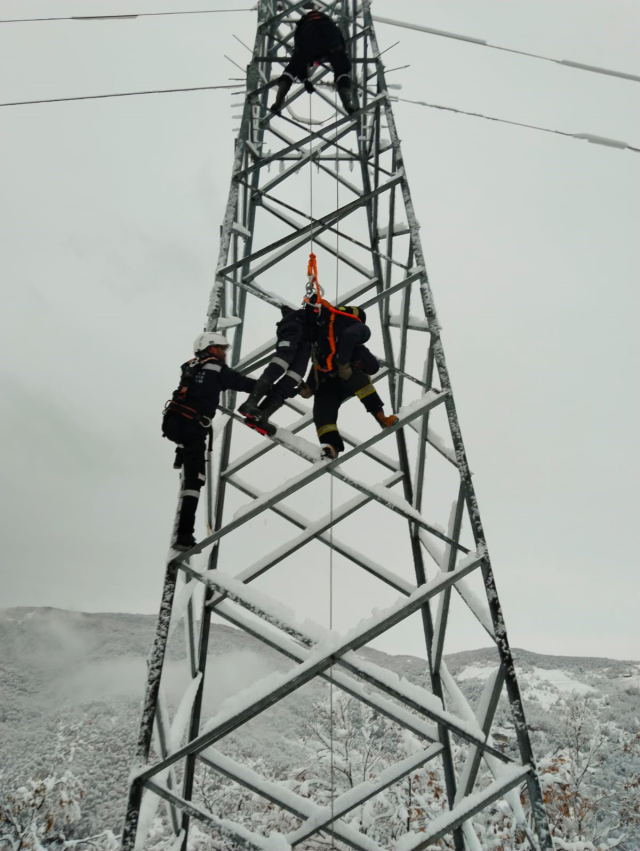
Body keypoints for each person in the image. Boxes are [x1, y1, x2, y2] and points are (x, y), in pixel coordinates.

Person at [162, 332, 256, 550]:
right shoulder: (215, 367)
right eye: (222, 348)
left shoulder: (191, 367)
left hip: (174, 422)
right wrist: (271, 387)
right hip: (192, 427)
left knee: (189, 450)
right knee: (194, 482)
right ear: (211, 348)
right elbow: (242, 383)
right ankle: (183, 535)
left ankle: (181, 453)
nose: (224, 353)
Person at [301, 297, 398, 460]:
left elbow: (350, 336)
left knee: (361, 384)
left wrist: (344, 364)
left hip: (349, 372)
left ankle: (380, 417)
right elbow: (318, 362)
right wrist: (309, 386)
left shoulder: (353, 327)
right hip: (328, 379)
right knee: (322, 410)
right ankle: (331, 445)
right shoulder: (320, 336)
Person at [270, 4, 356, 116]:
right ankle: (348, 104)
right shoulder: (329, 23)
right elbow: (341, 42)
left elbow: (300, 54)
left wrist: (305, 79)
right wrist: (340, 55)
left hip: (309, 38)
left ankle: (278, 102)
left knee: (292, 69)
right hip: (332, 38)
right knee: (341, 70)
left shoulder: (302, 25)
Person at [238, 305, 311, 436]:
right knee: (282, 360)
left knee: (296, 374)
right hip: (295, 328)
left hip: (307, 340)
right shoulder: (340, 323)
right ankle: (250, 404)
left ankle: (261, 418)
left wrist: (299, 390)